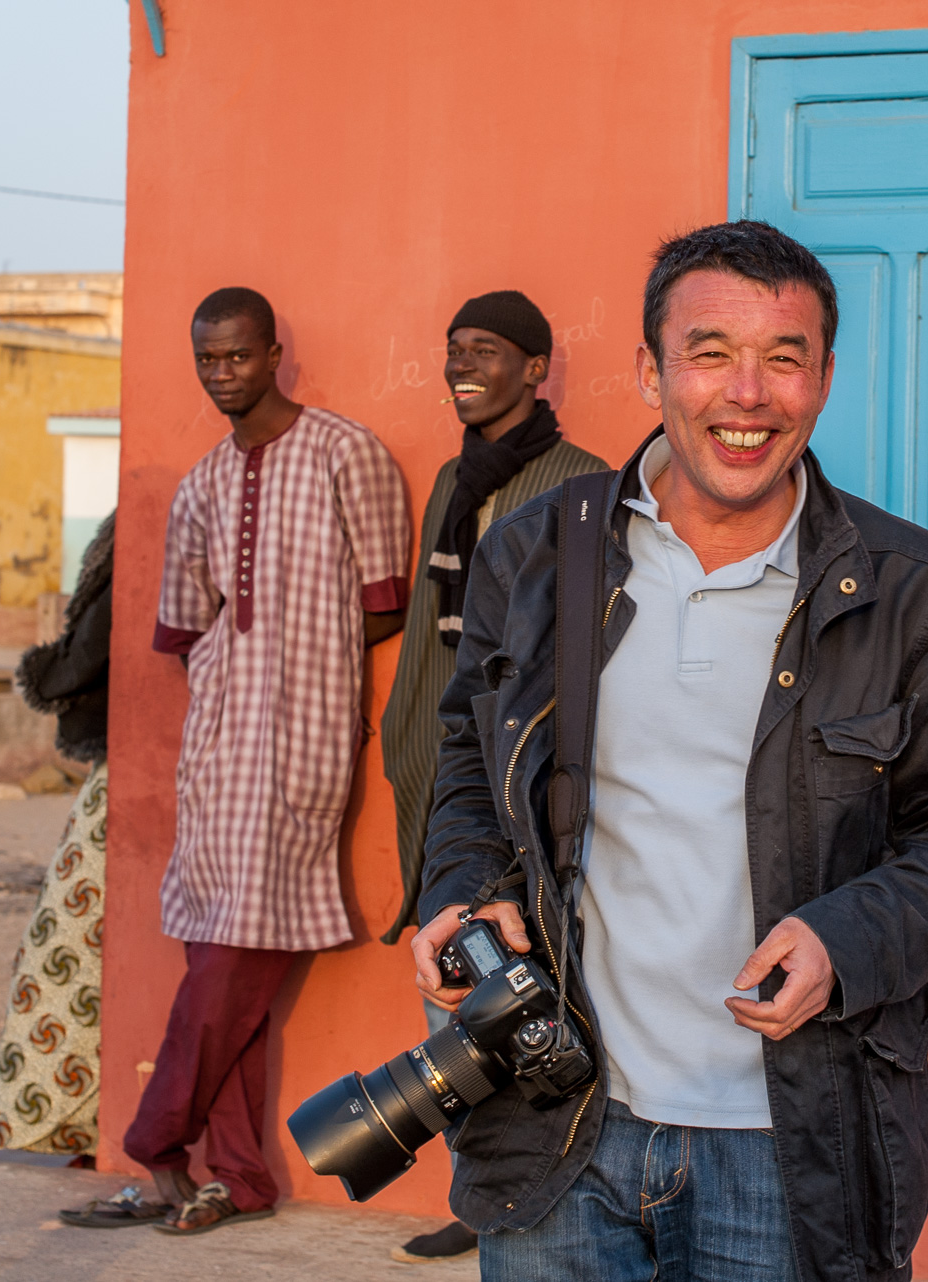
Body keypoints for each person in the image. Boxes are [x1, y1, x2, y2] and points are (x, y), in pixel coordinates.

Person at [409, 221, 928, 1282]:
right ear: (648, 370)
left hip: (792, 1148)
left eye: (782, 359)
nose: (746, 395)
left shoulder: (917, 591)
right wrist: (462, 886)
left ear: (824, 379)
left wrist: (845, 935)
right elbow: (471, 755)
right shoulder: (532, 553)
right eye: (708, 353)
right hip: (560, 1129)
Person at [101, 286, 411, 1236]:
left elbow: (384, 600)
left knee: (236, 952)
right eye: (207, 360)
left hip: (306, 730)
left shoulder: (343, 453)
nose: (222, 374)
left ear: (275, 352)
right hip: (218, 738)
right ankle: (237, 1175)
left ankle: (157, 1140)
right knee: (215, 947)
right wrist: (242, 665)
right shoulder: (198, 484)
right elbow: (189, 623)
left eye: (237, 356)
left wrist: (299, 656)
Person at [377, 290, 607, 1263]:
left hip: (522, 777)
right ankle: (480, 1181)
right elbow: (442, 646)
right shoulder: (446, 479)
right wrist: (404, 739)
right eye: (451, 350)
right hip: (440, 764)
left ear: (535, 368)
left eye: (485, 351)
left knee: (534, 973)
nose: (462, 366)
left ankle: (527, 1177)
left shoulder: (581, 484)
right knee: (457, 967)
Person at [0, 511, 114, 1162]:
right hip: (130, 766)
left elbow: (93, 647)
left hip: (130, 772)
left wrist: (48, 673)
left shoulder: (144, 530)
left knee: (71, 942)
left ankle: (77, 1116)